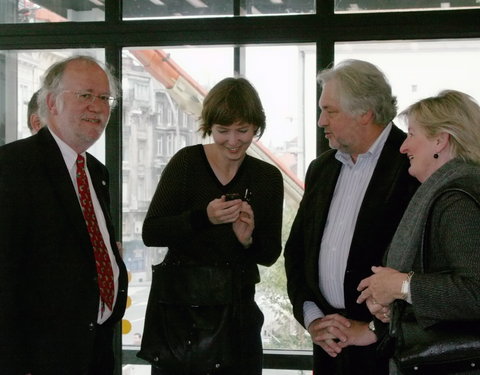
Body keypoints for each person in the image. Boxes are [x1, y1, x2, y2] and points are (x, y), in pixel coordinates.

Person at [138, 77, 284, 375]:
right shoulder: (187, 163)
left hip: (237, 317)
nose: (233, 141)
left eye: (243, 130)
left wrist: (247, 241)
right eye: (222, 131)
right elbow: (151, 232)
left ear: (257, 127)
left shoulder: (267, 177)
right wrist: (204, 217)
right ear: (209, 127)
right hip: (182, 314)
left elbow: (269, 253)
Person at [283, 59, 419, 375]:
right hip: (329, 349)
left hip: (392, 353)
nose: (320, 121)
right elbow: (297, 253)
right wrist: (312, 317)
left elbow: (430, 270)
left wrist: (374, 329)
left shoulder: (412, 164)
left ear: (365, 113)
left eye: (330, 111)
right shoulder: (321, 169)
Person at [0, 55, 128, 375]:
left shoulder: (95, 171)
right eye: (85, 95)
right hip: (38, 360)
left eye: (104, 98)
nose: (97, 107)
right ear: (52, 102)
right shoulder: (14, 166)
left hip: (94, 350)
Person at [357, 89, 480, 374]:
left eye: (412, 134)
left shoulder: (457, 199)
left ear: (440, 139)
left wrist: (402, 286)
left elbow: (476, 292)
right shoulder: (451, 190)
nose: (403, 146)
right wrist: (395, 303)